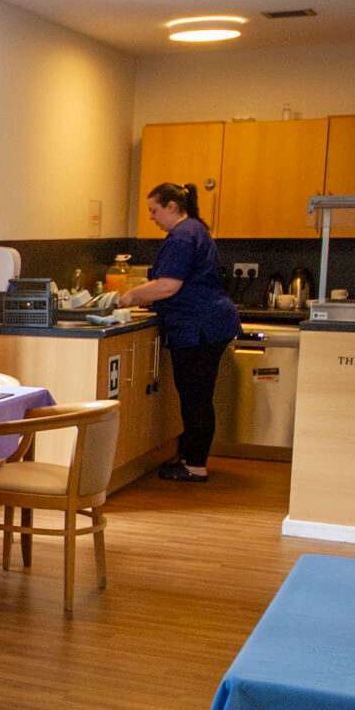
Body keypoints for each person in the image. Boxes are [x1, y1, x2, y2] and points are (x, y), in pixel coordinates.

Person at [119, 181, 242, 483]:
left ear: (172, 207)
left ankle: (195, 466)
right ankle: (192, 457)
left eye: (154, 210)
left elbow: (169, 285)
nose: (152, 217)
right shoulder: (195, 230)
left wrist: (131, 295)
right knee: (197, 395)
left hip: (198, 327)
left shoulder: (183, 237)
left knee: (195, 397)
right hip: (207, 323)